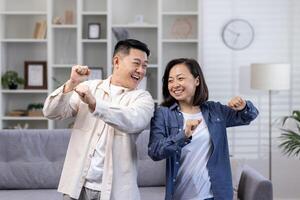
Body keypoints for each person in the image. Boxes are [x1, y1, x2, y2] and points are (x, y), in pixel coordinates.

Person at [43, 39, 154, 200]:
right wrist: (72, 83)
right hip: (76, 187)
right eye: (136, 63)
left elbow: (133, 121)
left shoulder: (143, 98)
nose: (141, 70)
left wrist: (94, 104)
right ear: (117, 61)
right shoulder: (91, 87)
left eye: (144, 65)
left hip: (115, 192)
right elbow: (50, 112)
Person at [148, 58, 259, 200]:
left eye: (180, 78)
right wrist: (184, 135)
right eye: (170, 80)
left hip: (214, 195)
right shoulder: (163, 113)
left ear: (197, 81)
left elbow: (248, 116)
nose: (175, 84)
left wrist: (244, 106)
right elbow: (154, 151)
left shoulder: (214, 110)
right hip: (180, 195)